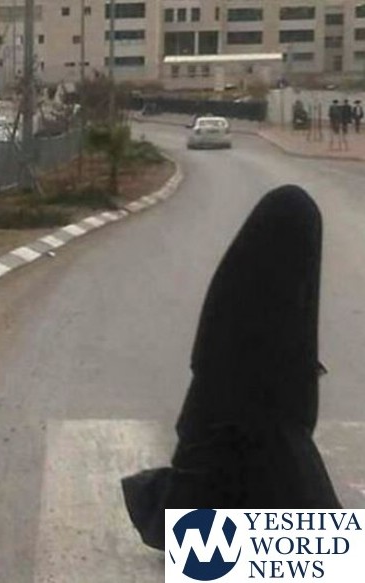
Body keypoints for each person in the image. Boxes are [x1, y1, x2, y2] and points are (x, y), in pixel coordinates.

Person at [121, 186, 341, 551]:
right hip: (238, 437)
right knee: (329, 552)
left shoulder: (234, 287)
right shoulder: (279, 312)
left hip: (225, 436)